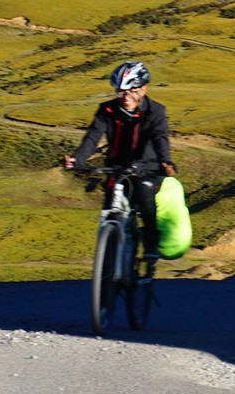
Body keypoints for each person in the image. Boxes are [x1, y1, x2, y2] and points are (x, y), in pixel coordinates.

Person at [63, 61, 176, 279]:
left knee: (144, 194)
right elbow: (93, 137)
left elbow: (160, 138)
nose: (125, 96)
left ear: (143, 89)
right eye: (121, 91)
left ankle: (150, 244)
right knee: (110, 204)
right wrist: (77, 159)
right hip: (116, 167)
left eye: (131, 91)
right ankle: (107, 261)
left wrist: (165, 161)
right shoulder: (107, 110)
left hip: (147, 168)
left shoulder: (155, 111)